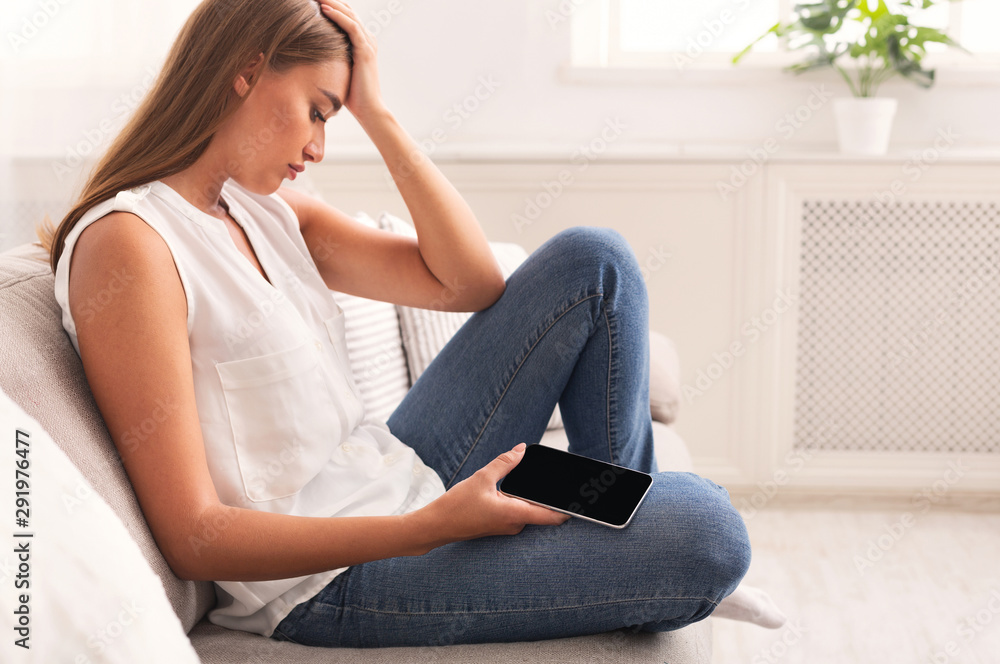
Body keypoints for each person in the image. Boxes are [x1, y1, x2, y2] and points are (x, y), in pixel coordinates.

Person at [35, 0, 757, 648]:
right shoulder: (130, 245)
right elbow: (195, 536)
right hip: (333, 577)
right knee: (708, 526)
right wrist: (429, 529)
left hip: (394, 470)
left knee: (593, 262)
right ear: (246, 71)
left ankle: (625, 553)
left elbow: (470, 282)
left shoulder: (264, 211)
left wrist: (379, 115)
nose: (318, 147)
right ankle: (644, 555)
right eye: (318, 110)